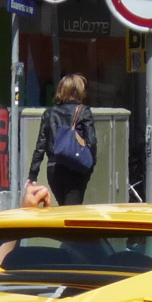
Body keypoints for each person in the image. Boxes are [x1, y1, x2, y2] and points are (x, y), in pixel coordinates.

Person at [28, 73, 97, 206]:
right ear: (78, 91)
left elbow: (40, 145)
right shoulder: (83, 111)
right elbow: (92, 142)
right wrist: (90, 165)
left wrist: (33, 175)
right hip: (76, 168)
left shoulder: (49, 113)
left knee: (64, 207)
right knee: (71, 212)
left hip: (54, 169)